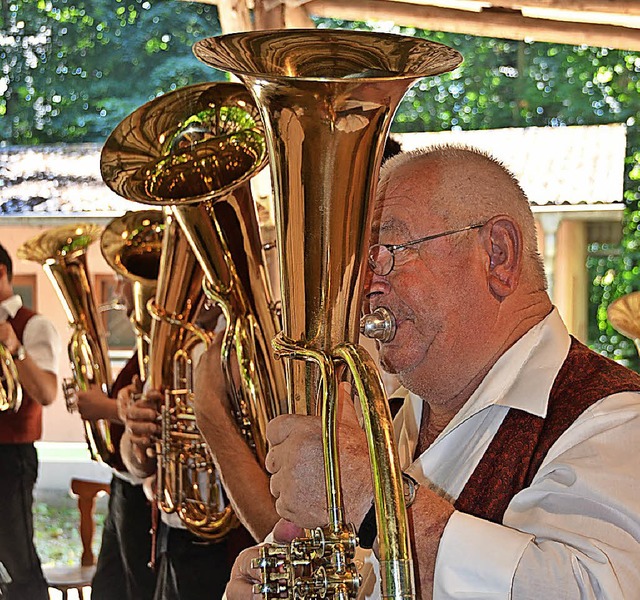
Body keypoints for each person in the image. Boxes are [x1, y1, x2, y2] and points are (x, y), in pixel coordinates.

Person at [224, 145, 640, 599]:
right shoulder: (390, 416)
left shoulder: (617, 419)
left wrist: (369, 500)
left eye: (388, 251)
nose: (363, 286)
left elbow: (594, 590)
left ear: (497, 255)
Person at [118, 302, 255, 600]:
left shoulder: (252, 340)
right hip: (173, 537)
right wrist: (136, 437)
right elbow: (136, 465)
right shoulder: (170, 345)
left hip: (239, 546)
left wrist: (214, 419)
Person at [73, 276, 156, 600]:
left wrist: (102, 406)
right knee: (108, 587)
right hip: (124, 480)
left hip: (143, 492)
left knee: (136, 589)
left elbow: (154, 413)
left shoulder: (160, 343)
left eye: (124, 280)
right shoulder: (144, 341)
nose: (118, 291)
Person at [0, 243, 61, 600]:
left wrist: (15, 349)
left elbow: (48, 393)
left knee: (18, 562)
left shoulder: (33, 325)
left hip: (11, 457)